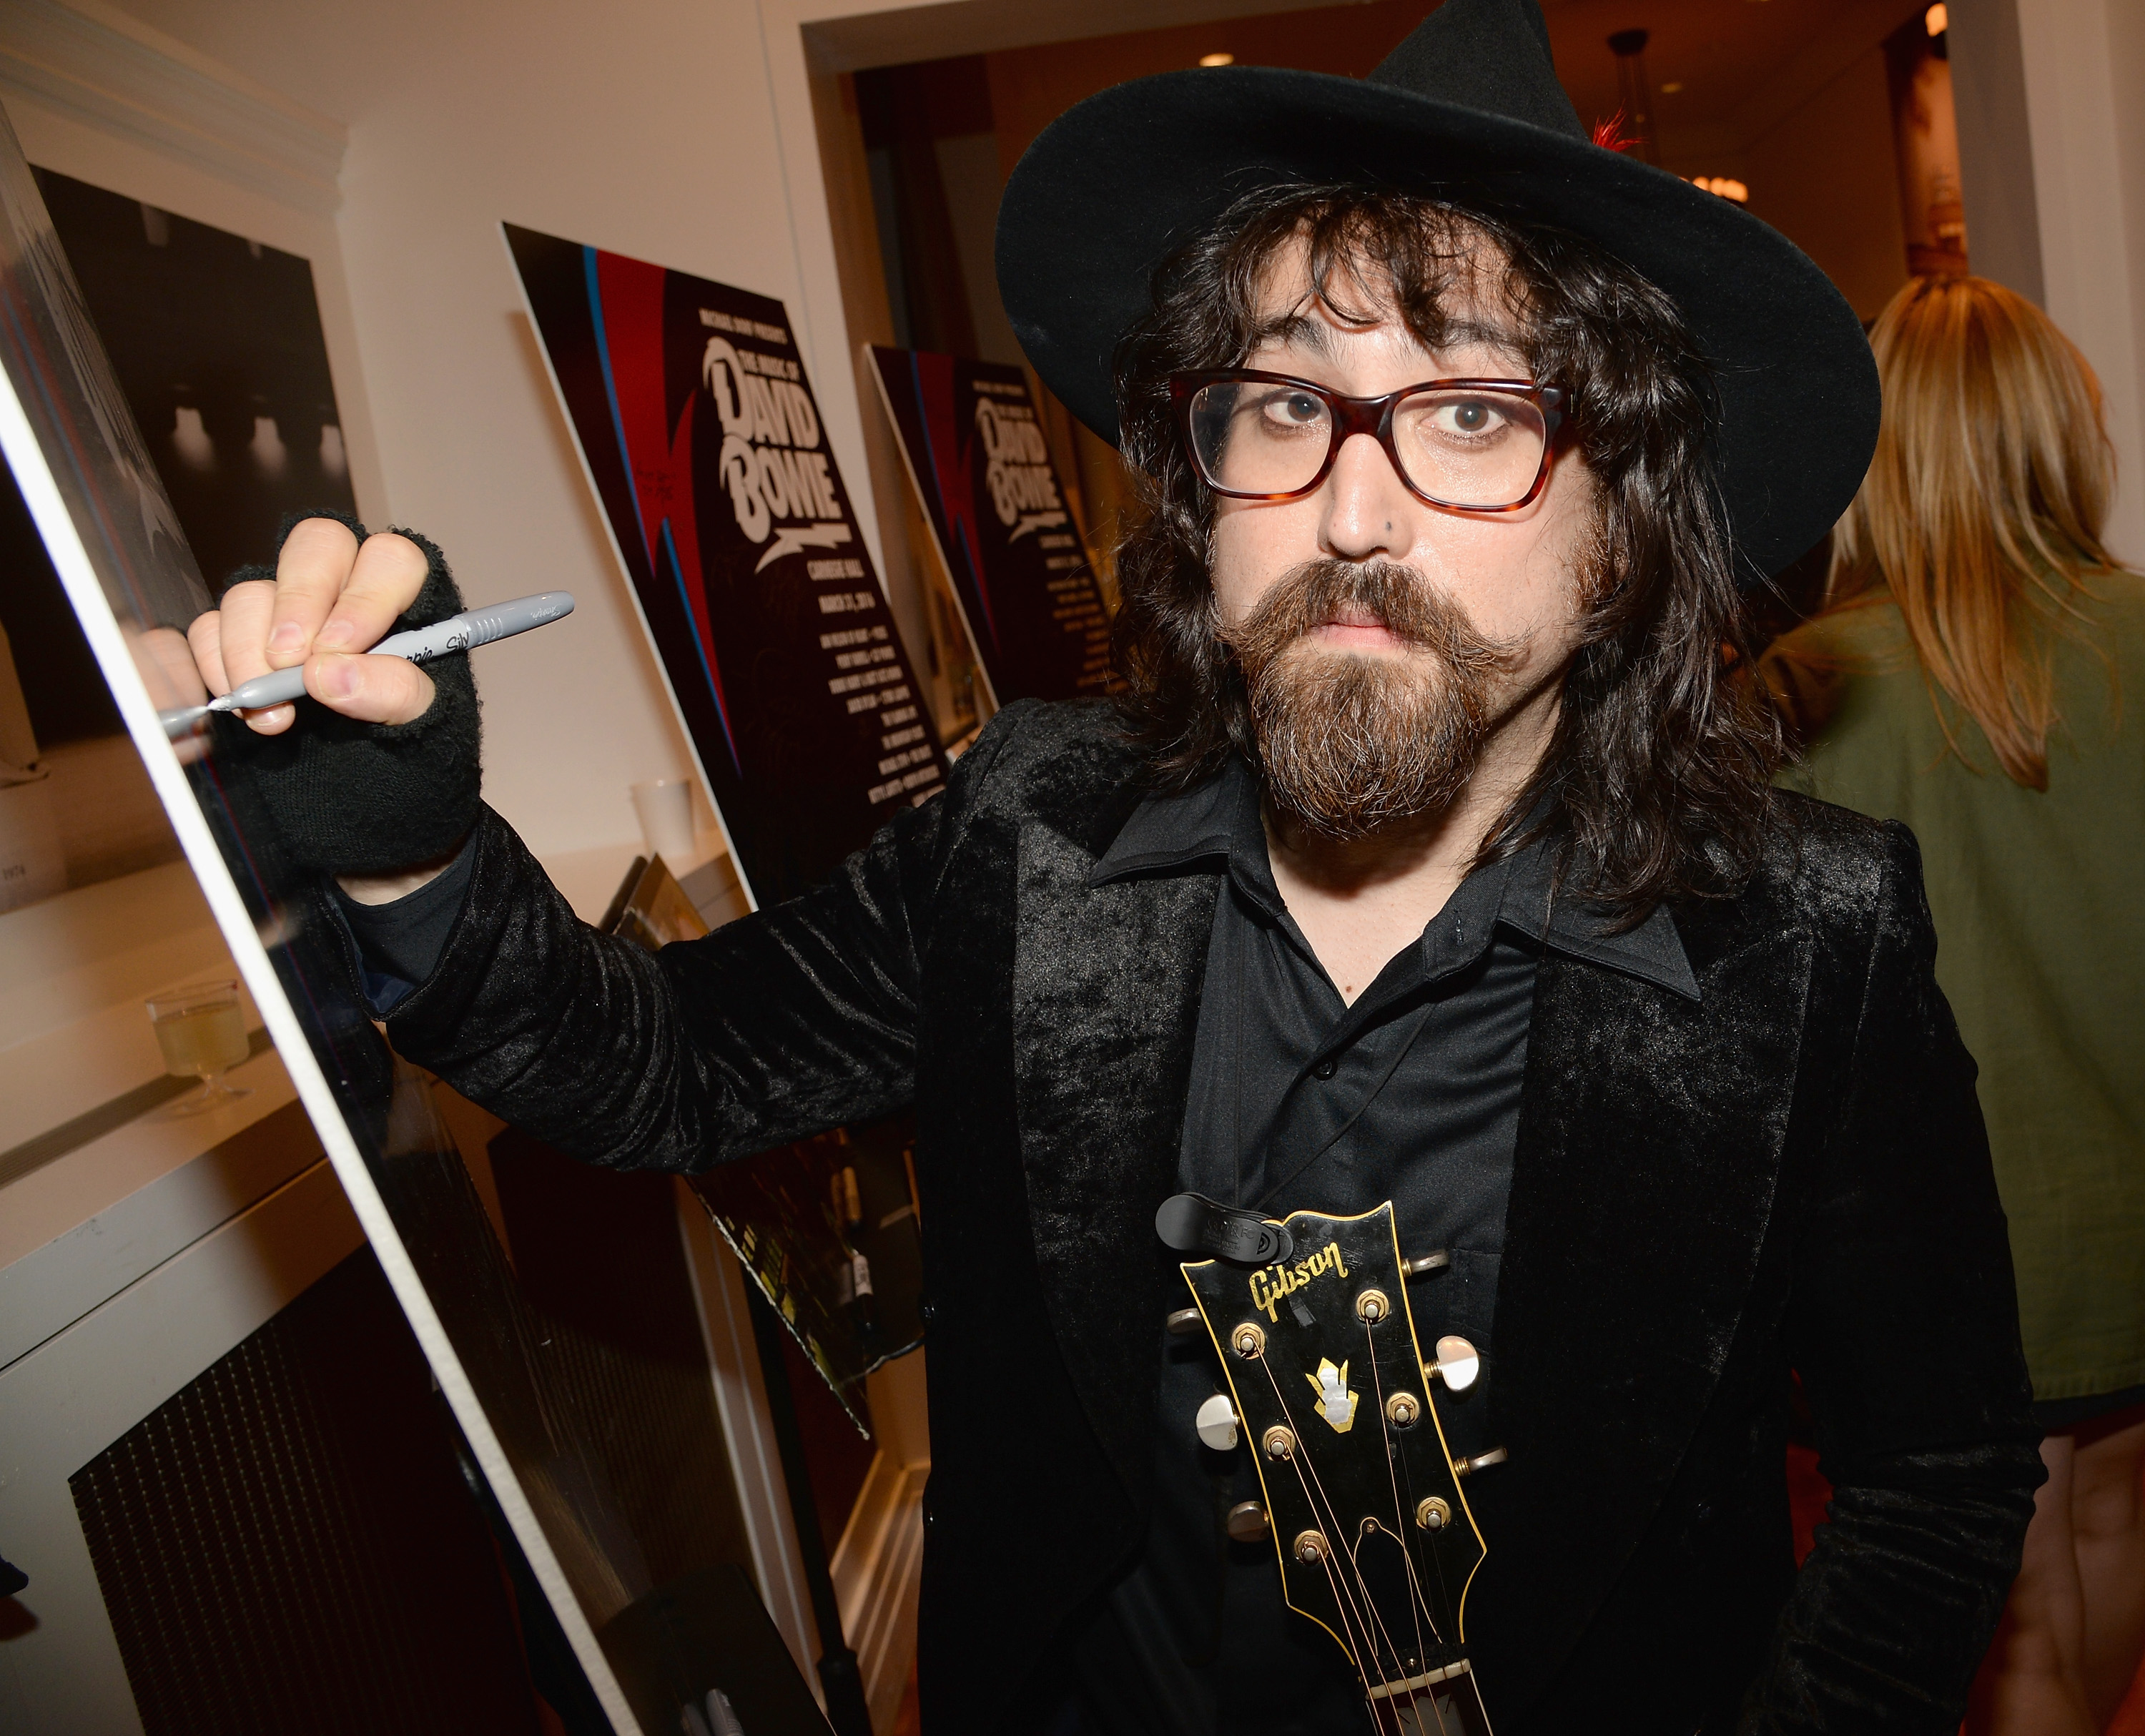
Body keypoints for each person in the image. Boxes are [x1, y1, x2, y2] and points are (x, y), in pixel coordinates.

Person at [186, 1, 2043, 1729]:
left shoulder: (1804, 943)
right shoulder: (1040, 834)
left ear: (1632, 533)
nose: (1353, 505)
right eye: (1287, 400)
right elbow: (666, 1062)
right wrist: (409, 847)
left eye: (1476, 411)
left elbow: (1935, 1483)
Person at [1763, 274, 2145, 1736]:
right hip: (2126, 1198)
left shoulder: (1802, 687)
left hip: (1947, 1242)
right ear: (2065, 436)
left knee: (2022, 1604)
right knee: (2107, 1516)